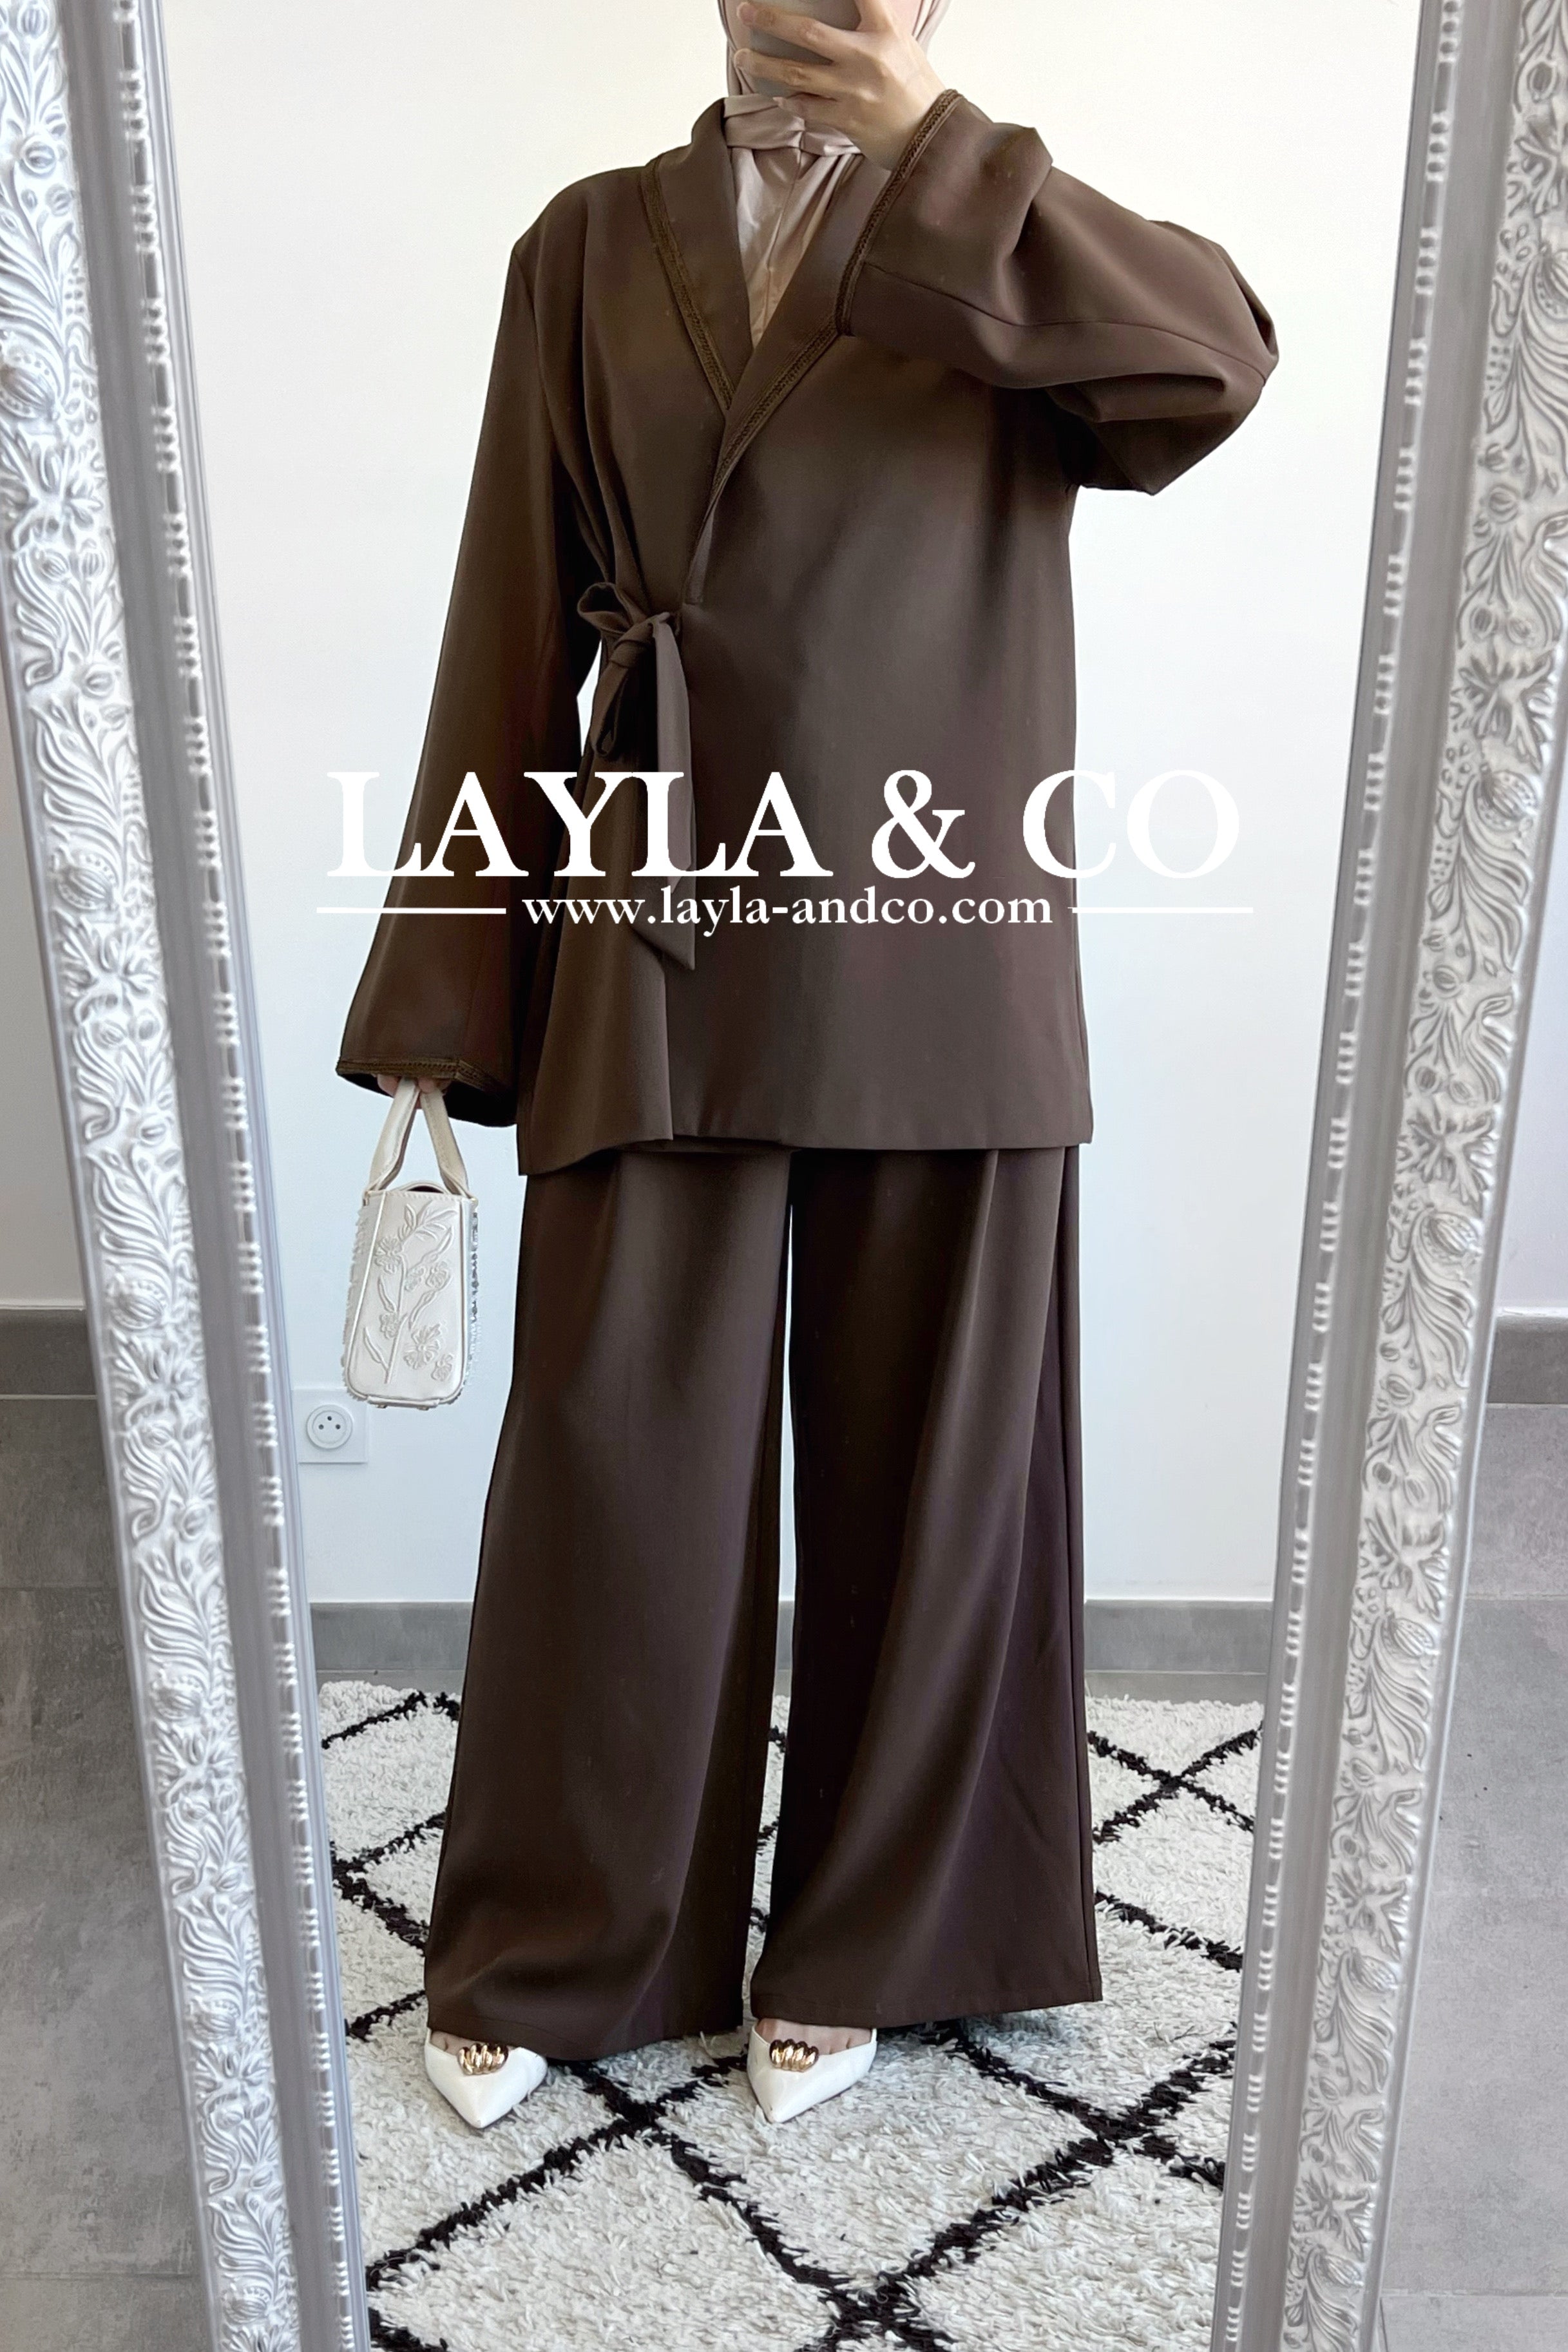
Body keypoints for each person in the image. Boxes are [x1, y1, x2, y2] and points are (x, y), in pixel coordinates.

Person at [340, 0, 1276, 2129]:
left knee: (933, 1457)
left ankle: (885, 1935)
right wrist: (447, 999)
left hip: (942, 921)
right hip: (659, 905)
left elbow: (1212, 367)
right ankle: (568, 1932)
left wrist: (948, 148)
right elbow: (508, 618)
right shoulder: (587, 245)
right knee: (613, 1447)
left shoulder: (1004, 232)